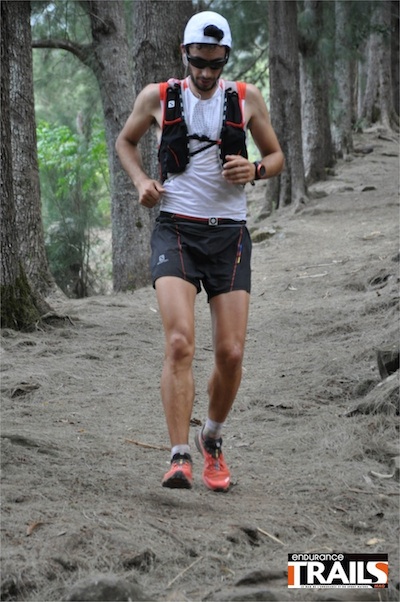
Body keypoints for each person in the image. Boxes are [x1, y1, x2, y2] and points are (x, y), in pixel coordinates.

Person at [116, 11, 284, 492]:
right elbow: (125, 143)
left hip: (229, 234)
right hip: (176, 230)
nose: (207, 74)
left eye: (215, 64)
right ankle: (177, 456)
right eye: (198, 63)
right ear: (185, 56)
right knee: (179, 342)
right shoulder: (159, 96)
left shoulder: (246, 98)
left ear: (225, 58)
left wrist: (253, 171)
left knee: (230, 353)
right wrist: (142, 180)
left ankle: (211, 438)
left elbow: (276, 157)